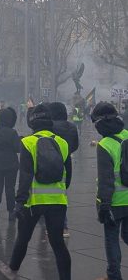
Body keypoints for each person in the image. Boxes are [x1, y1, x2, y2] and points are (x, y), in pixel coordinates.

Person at [0, 104, 72, 280]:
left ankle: (12, 269)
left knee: (23, 237)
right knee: (58, 243)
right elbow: (67, 176)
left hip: (33, 202)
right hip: (58, 202)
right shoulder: (62, 143)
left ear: (32, 122)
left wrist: (19, 202)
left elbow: (26, 176)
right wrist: (59, 192)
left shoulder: (28, 142)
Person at [90, 102, 128, 280]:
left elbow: (106, 180)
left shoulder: (104, 144)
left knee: (112, 240)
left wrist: (103, 205)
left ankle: (114, 275)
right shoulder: (127, 135)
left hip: (114, 202)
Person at [49, 102, 80, 237]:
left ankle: (49, 225)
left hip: (48, 162)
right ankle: (64, 227)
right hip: (65, 162)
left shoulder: (49, 126)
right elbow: (75, 145)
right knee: (61, 195)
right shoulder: (72, 127)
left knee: (44, 194)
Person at [0, 107, 20, 221]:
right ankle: (11, 212)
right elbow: (17, 148)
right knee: (10, 188)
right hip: (11, 163)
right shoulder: (12, 132)